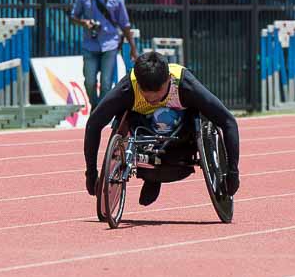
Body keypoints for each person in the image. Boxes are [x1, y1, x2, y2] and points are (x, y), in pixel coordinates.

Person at [84, 51, 240, 207]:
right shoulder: (128, 87)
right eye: (146, 94)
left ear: (168, 80)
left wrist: (233, 171)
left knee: (186, 117)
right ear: (138, 83)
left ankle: (154, 178)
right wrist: (91, 173)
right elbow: (93, 124)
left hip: (181, 138)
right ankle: (152, 177)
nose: (152, 99)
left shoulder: (185, 84)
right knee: (129, 118)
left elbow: (228, 122)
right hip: (144, 134)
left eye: (158, 93)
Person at [67, 0, 140, 109]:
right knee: (89, 82)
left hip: (110, 44)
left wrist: (133, 48)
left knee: (106, 83)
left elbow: (125, 24)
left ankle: (99, 112)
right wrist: (84, 23)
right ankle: (95, 107)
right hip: (90, 45)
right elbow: (73, 18)